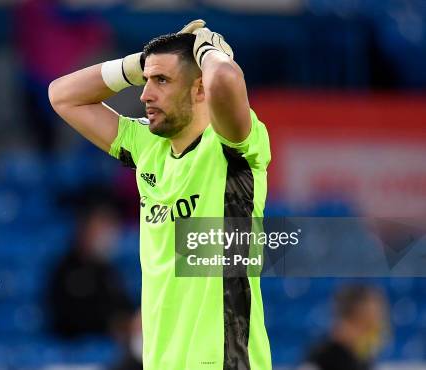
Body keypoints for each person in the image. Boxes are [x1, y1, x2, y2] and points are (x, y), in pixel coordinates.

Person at [48, 19, 272, 369]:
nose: (144, 94)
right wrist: (143, 63)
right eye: (147, 81)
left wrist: (209, 50)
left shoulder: (232, 149)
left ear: (199, 89)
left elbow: (226, 80)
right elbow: (62, 96)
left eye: (162, 81)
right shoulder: (146, 145)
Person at [48, 202, 134, 338]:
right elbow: (66, 315)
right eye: (102, 227)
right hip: (72, 346)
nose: (108, 236)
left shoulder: (109, 271)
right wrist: (111, 323)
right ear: (85, 230)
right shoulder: (65, 270)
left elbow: (123, 307)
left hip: (109, 343)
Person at [300, 285, 389, 370]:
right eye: (367, 323)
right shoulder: (317, 363)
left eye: (379, 321)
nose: (376, 330)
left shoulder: (362, 360)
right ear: (343, 324)